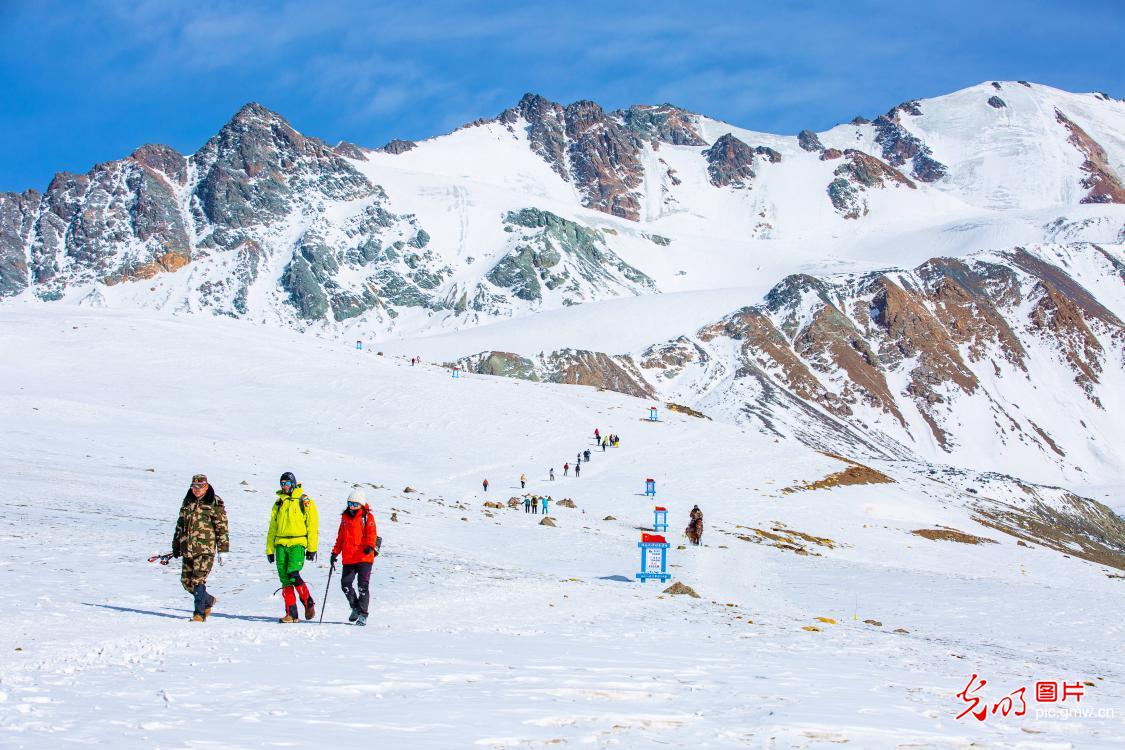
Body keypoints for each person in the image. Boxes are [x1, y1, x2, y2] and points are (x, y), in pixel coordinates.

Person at [172, 473, 229, 622]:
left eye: (199, 486)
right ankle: (208, 600)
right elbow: (180, 525)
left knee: (198, 580)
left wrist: (223, 550)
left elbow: (221, 528)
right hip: (188, 549)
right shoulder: (188, 502)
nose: (196, 489)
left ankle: (199, 614)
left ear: (206, 486)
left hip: (205, 549)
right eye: (193, 486)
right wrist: (176, 545)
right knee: (186, 582)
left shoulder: (214, 502)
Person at [267, 471, 320, 623]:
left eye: (287, 483)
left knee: (293, 573)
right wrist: (270, 550)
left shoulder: (304, 501)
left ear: (294, 483)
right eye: (282, 483)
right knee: (285, 580)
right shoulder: (279, 503)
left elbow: (312, 525)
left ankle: (308, 601)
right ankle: (291, 614)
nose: (284, 486)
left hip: (297, 542)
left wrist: (312, 548)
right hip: (280, 544)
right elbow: (272, 527)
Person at [330, 488, 378, 627]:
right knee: (345, 584)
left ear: (361, 504)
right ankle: (355, 607)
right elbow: (341, 538)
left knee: (362, 586)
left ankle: (363, 614)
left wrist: (370, 545)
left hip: (364, 557)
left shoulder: (367, 517)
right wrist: (334, 553)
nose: (352, 506)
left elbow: (372, 534)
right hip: (349, 557)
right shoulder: (344, 518)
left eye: (355, 504)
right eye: (350, 503)